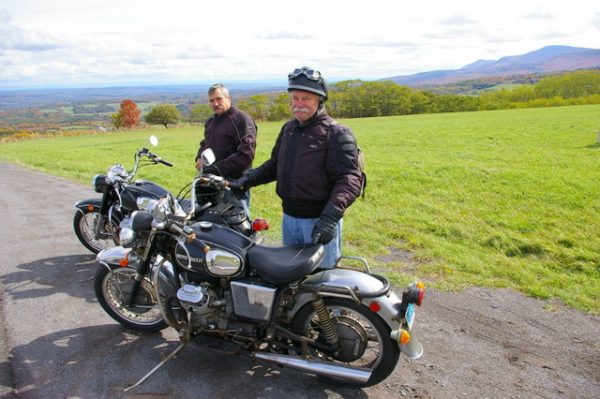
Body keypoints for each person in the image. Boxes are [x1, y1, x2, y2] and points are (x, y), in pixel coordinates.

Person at [230, 67, 363, 268]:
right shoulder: (289, 129)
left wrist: (329, 218)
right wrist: (248, 179)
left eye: (306, 98)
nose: (298, 104)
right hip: (290, 219)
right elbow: (275, 165)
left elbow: (351, 179)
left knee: (321, 283)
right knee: (292, 284)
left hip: (318, 221)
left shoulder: (336, 133)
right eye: (295, 98)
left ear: (320, 100)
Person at [195, 83, 257, 214]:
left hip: (233, 183)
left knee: (235, 224)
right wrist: (199, 157)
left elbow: (246, 154)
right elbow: (206, 142)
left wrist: (217, 168)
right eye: (212, 100)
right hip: (212, 180)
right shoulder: (211, 121)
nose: (215, 103)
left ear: (228, 98)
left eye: (219, 99)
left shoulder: (241, 119)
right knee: (211, 221)